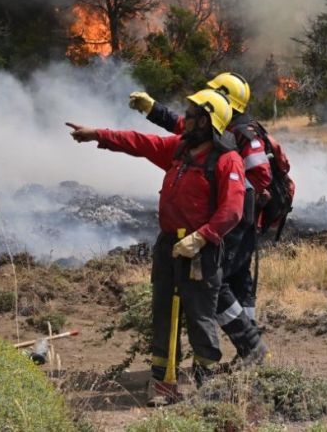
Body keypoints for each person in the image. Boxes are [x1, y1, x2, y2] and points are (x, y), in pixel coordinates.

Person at [67, 88, 245, 406]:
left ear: (205, 122)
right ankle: (163, 386)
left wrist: (202, 237)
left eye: (190, 116)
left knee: (200, 317)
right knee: (163, 314)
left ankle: (208, 391)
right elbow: (141, 142)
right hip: (169, 248)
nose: (183, 120)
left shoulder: (227, 160)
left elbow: (232, 210)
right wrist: (99, 135)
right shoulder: (180, 150)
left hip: (199, 253)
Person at [128, 73, 271, 365]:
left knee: (213, 284)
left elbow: (259, 179)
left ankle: (250, 346)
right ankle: (249, 346)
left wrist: (222, 202)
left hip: (234, 220)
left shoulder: (243, 135)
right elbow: (183, 127)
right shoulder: (222, 127)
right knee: (231, 283)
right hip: (229, 218)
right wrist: (153, 109)